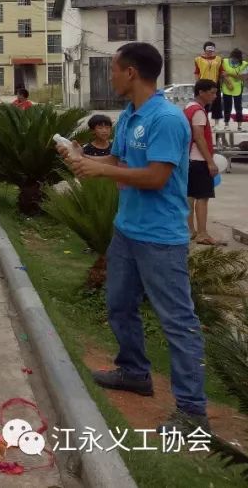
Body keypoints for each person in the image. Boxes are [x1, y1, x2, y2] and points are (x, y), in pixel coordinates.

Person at [62, 42, 208, 436]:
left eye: (113, 69)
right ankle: (134, 372)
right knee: (119, 306)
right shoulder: (128, 115)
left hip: (161, 239)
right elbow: (120, 161)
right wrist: (84, 160)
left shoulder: (166, 119)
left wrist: (103, 173)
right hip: (126, 231)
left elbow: (156, 176)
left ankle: (193, 411)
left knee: (178, 322)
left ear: (131, 73)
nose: (110, 75)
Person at [185, 79, 222, 246]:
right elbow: (199, 138)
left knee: (190, 196)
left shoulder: (188, 107)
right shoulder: (198, 111)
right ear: (201, 92)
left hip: (188, 160)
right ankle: (202, 233)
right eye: (212, 92)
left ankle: (190, 230)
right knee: (202, 197)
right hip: (199, 160)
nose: (214, 96)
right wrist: (210, 162)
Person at [194, 42, 224, 124]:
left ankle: (217, 123)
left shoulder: (218, 59)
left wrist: (226, 81)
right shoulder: (198, 59)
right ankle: (204, 122)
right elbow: (197, 72)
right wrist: (197, 83)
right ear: (204, 50)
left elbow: (221, 71)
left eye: (212, 49)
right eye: (208, 50)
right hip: (203, 83)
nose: (210, 51)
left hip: (215, 83)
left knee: (216, 103)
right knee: (203, 103)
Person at [220, 48, 248, 129]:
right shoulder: (224, 61)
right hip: (226, 87)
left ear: (240, 58)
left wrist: (229, 74)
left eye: (236, 58)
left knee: (238, 107)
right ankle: (226, 124)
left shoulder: (245, 64)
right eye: (233, 57)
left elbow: (243, 77)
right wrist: (227, 80)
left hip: (238, 88)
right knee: (227, 107)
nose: (234, 59)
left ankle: (239, 125)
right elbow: (221, 73)